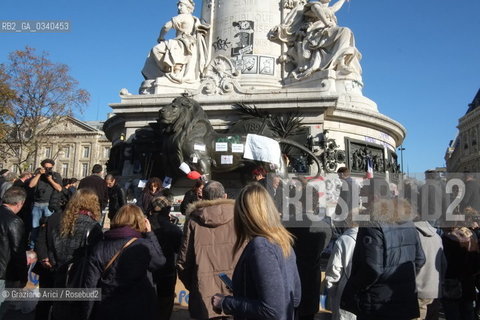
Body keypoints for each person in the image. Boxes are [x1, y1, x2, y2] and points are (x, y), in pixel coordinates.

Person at [212, 183, 301, 320]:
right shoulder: (282, 241)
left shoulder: (261, 246)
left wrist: (225, 303)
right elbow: (295, 298)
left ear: (243, 215)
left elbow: (273, 310)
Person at [341, 197, 426, 320]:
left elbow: (371, 268)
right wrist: (403, 278)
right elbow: (420, 259)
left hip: (376, 299)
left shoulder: (373, 225)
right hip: (403, 297)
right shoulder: (409, 225)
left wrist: (356, 287)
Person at [84, 204, 166, 320]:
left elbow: (90, 287)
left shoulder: (99, 247)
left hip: (108, 309)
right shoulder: (143, 245)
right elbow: (159, 262)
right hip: (139, 309)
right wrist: (150, 234)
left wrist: (87, 314)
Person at [177, 180, 241, 320]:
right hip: (237, 292)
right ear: (224, 196)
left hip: (203, 292)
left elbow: (183, 262)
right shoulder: (240, 217)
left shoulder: (194, 220)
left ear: (203, 198)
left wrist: (195, 284)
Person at [49, 189, 103, 320]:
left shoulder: (63, 221)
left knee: (59, 309)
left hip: (61, 272)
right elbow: (96, 255)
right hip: (80, 276)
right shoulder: (93, 226)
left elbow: (52, 248)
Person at [141, 0, 209, 84]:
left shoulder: (183, 16)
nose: (179, 8)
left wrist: (161, 37)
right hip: (189, 43)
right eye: (178, 6)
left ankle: (169, 74)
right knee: (171, 50)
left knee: (156, 49)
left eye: (181, 5)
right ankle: (173, 73)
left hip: (182, 42)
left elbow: (166, 26)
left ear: (188, 7)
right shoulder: (193, 19)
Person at [441, 212, 480, 320]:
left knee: (453, 313)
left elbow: (442, 264)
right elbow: (476, 261)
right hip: (468, 282)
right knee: (468, 312)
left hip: (451, 282)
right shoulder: (471, 235)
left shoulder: (445, 240)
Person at [149, 196, 183, 320]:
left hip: (146, 275)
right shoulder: (173, 229)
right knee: (164, 310)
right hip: (167, 275)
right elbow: (180, 252)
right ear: (168, 210)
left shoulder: (142, 225)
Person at [0, 187, 28, 318]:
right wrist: (23, 277)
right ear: (19, 203)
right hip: (4, 273)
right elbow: (18, 251)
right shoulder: (14, 221)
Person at [325, 217, 357, 320]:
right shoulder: (373, 239)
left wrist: (333, 296)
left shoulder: (344, 240)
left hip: (344, 295)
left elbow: (333, 272)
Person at [414, 219, 446, 320]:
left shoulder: (411, 236)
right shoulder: (437, 237)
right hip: (435, 291)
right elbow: (444, 264)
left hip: (418, 291)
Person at [28, 159, 63, 249]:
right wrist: (39, 174)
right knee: (34, 227)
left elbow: (59, 188)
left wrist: (50, 179)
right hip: (37, 204)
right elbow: (31, 185)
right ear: (42, 167)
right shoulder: (38, 175)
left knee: (48, 228)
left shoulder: (56, 175)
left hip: (48, 205)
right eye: (45, 167)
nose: (47, 169)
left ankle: (47, 248)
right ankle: (32, 247)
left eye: (49, 168)